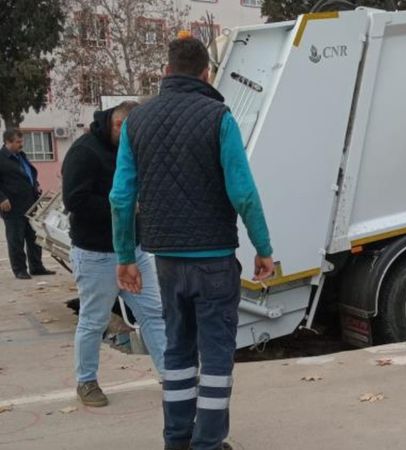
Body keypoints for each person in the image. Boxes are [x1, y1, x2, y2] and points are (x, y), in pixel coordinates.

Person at [110, 35, 274, 450]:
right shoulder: (218, 117)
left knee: (178, 354)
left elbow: (121, 196)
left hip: (165, 261)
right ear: (206, 73)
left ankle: (176, 438)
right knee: (216, 358)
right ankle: (208, 443)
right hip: (215, 261)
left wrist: (126, 256)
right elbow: (244, 193)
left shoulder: (135, 122)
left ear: (166, 72)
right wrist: (264, 248)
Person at [62, 102, 167, 407]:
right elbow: (75, 201)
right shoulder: (84, 152)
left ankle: (170, 375)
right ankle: (86, 382)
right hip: (96, 255)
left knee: (154, 314)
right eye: (130, 131)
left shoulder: (131, 150)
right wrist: (122, 207)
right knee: (94, 321)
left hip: (133, 252)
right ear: (116, 123)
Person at [0, 129, 55, 279]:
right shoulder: (2, 158)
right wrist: (1, 198)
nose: (21, 144)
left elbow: (27, 174)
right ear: (8, 142)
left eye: (21, 141)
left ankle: (36, 267)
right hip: (12, 206)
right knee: (16, 239)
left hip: (30, 203)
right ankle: (19, 269)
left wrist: (35, 185)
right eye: (18, 142)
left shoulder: (21, 156)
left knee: (33, 237)